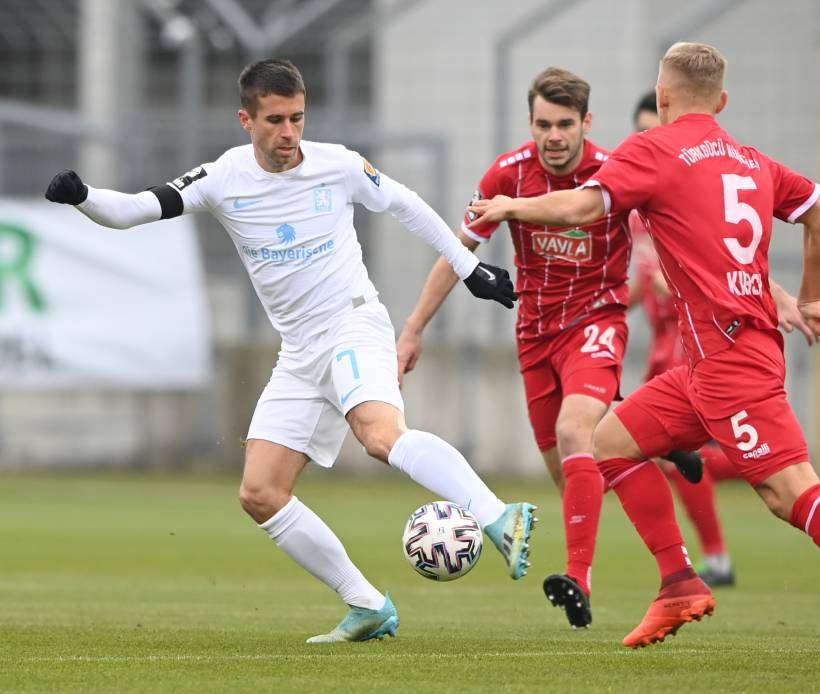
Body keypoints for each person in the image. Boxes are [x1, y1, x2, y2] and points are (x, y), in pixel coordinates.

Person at [469, 42, 820, 675]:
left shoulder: (654, 149)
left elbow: (583, 205)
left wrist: (511, 205)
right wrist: (807, 300)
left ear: (662, 98)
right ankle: (680, 584)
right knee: (609, 443)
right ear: (721, 101)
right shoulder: (750, 160)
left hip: (731, 362)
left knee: (788, 491)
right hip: (711, 361)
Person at [43, 58, 537, 644]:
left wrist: (471, 267)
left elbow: (407, 205)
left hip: (353, 325)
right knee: (260, 493)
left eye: (297, 118)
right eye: (274, 120)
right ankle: (368, 604)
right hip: (300, 352)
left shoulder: (339, 165)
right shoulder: (222, 178)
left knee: (380, 435)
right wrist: (82, 196)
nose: (288, 134)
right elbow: (131, 211)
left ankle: (497, 514)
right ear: (245, 119)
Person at [398, 67, 648, 629]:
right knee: (571, 474)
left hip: (597, 321)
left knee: (573, 431)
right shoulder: (506, 173)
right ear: (530, 123)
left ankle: (578, 578)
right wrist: (413, 329)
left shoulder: (614, 173)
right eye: (543, 124)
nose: (553, 135)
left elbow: (664, 234)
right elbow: (455, 252)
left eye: (565, 124)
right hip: (534, 336)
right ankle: (639, 430)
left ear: (587, 123)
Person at [626, 90, 806, 588]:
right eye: (642, 132)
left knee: (672, 454)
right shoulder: (638, 204)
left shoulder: (688, 186)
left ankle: (713, 559)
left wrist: (787, 295)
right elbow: (642, 284)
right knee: (648, 450)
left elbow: (726, 257)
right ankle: (699, 564)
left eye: (655, 128)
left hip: (703, 341)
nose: (650, 138)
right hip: (669, 339)